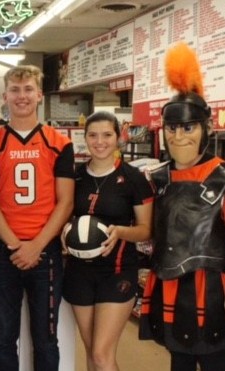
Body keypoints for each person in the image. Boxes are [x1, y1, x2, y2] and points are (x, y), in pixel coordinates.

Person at [0, 65, 75, 371]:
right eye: (15, 90)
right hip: (3, 250)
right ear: (5, 96)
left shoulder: (60, 143)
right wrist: (15, 244)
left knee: (46, 338)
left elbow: (66, 201)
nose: (22, 96)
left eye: (28, 89)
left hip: (45, 252)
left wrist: (37, 245)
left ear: (39, 95)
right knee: (4, 336)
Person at [139, 42, 225, 371]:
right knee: (179, 362)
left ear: (205, 130)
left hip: (214, 288)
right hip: (170, 284)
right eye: (172, 128)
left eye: (188, 127)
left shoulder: (222, 177)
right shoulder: (156, 178)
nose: (178, 136)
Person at [62, 111, 153, 370]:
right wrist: (64, 232)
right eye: (93, 135)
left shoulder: (134, 178)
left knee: (101, 354)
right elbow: (65, 215)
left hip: (117, 271)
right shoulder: (75, 177)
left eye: (106, 135)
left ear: (118, 137)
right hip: (79, 272)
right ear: (85, 138)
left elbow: (146, 230)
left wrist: (120, 232)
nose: (99, 141)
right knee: (92, 352)